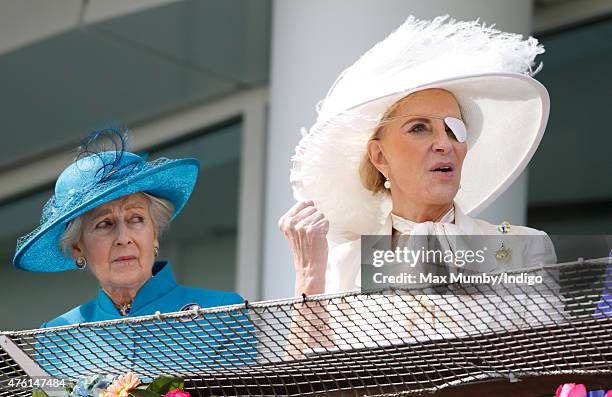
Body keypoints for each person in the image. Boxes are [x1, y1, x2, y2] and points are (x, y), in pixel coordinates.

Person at [280, 15, 561, 352]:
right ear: (379, 156)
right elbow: (308, 382)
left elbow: (549, 368)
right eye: (419, 128)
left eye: (454, 129)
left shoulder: (524, 249)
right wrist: (309, 273)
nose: (445, 144)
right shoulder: (342, 265)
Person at [13, 130, 255, 376]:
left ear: (154, 234)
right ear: (78, 247)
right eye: (105, 224)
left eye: (136, 219)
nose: (123, 238)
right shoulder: (56, 337)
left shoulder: (222, 312)